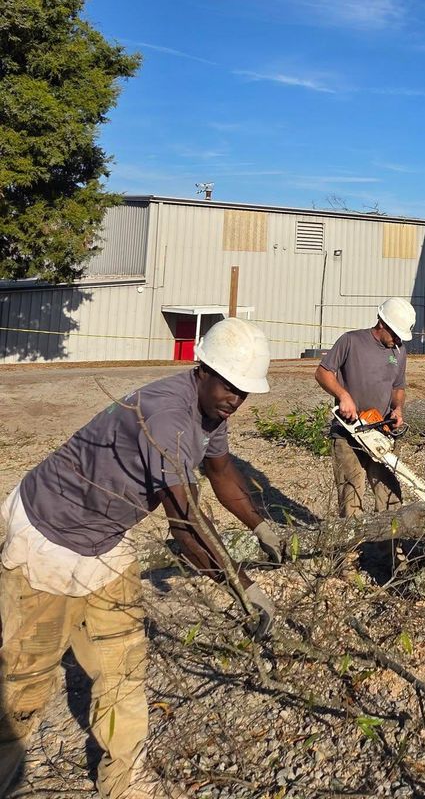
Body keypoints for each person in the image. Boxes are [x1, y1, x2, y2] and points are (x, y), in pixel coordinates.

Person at [0, 318, 284, 799]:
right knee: (24, 684)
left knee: (124, 667)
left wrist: (260, 524)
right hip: (48, 536)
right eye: (229, 386)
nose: (235, 399)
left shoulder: (211, 415)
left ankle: (124, 781)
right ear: (203, 369)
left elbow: (221, 472)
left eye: (244, 391)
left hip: (106, 541)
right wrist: (243, 586)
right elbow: (187, 525)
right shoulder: (167, 415)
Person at [315, 298, 416, 532]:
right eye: (396, 334)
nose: (398, 340)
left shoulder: (399, 352)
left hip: (380, 433)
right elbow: (322, 373)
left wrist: (397, 408)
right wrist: (343, 395)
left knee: (390, 495)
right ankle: (349, 560)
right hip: (348, 432)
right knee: (351, 497)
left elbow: (398, 387)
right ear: (382, 323)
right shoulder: (351, 341)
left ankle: (392, 554)